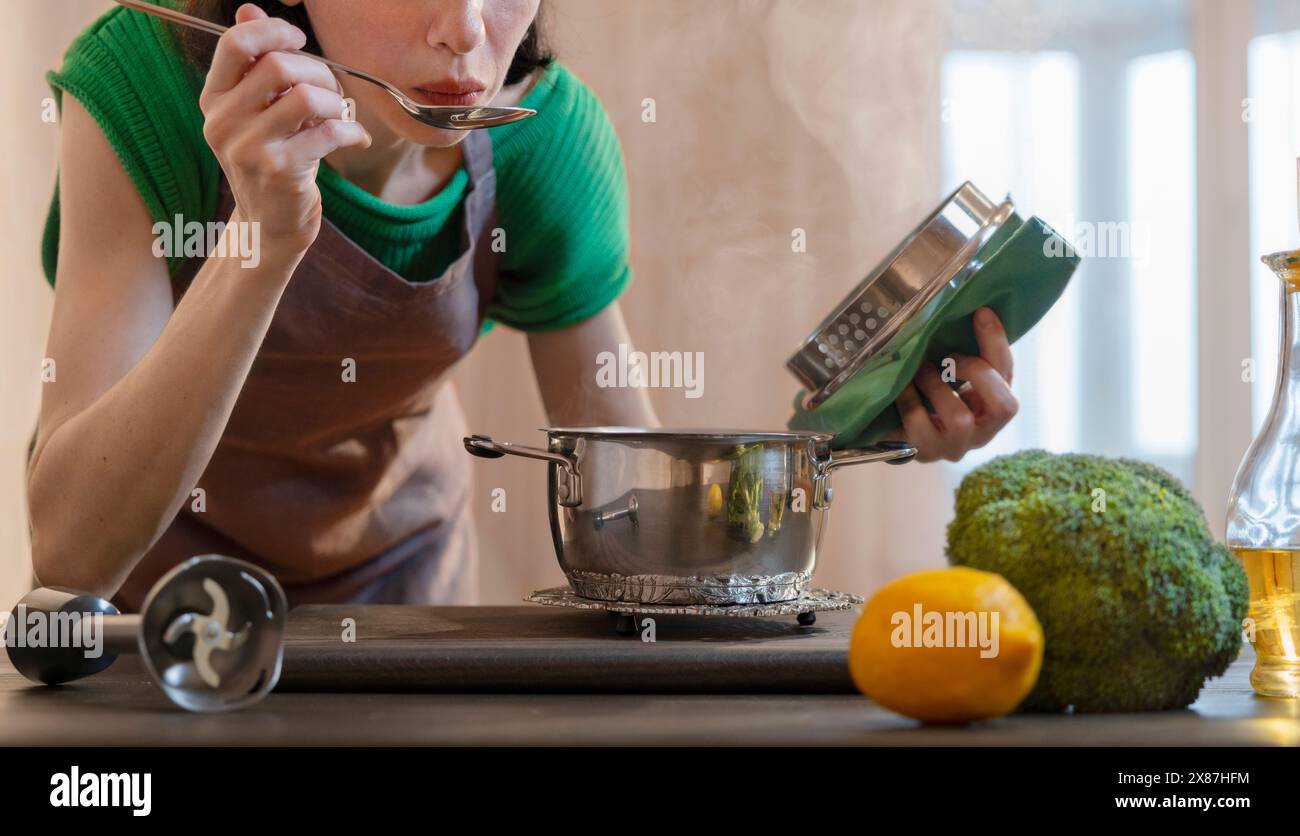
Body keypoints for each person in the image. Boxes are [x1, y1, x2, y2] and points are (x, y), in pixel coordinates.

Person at [27, 0, 1019, 609]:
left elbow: (640, 516)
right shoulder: (143, 85)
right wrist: (266, 240)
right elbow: (71, 548)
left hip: (400, 593)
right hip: (152, 593)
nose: (465, 30)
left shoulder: (546, 142)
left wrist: (862, 428)